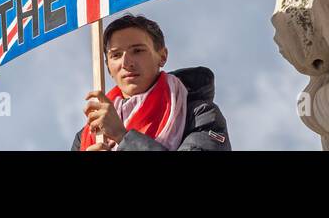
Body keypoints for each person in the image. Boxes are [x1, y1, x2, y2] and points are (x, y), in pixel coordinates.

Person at [71, 13, 230, 151]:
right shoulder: (86, 136)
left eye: (138, 50)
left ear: (162, 56)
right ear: (107, 67)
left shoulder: (200, 115)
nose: (126, 62)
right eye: (116, 55)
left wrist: (122, 136)